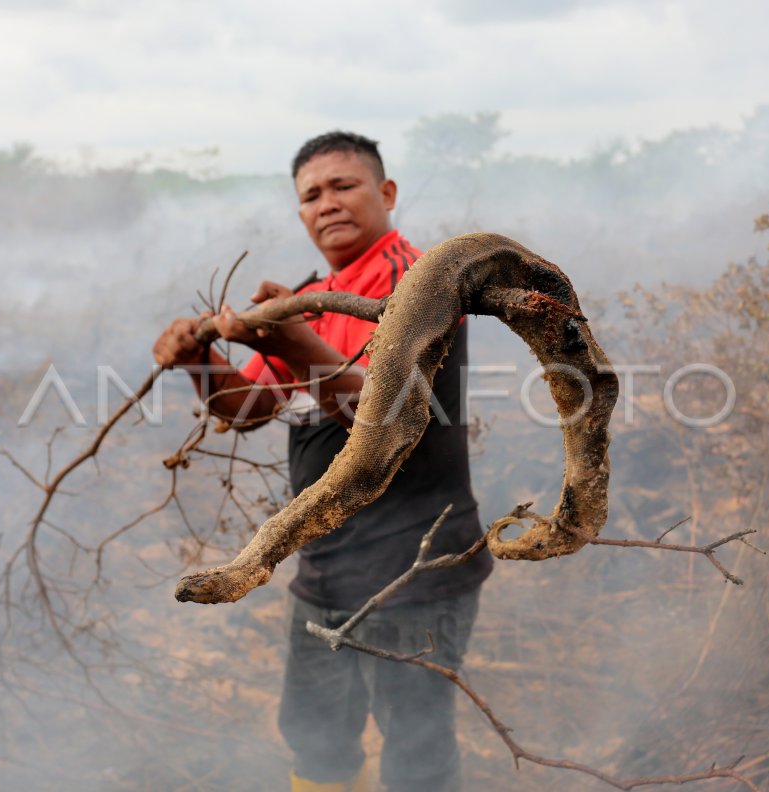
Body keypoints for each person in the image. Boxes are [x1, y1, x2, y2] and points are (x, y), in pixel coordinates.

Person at [153, 131, 492, 792]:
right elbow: (252, 406)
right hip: (328, 565)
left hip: (417, 566)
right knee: (317, 739)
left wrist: (297, 342)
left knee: (417, 755)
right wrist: (199, 360)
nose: (327, 203)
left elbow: (385, 420)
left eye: (344, 185)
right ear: (300, 214)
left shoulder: (423, 288)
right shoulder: (312, 294)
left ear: (386, 193)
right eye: (311, 194)